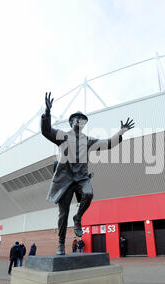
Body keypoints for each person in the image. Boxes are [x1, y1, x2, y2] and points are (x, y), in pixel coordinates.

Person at [41, 92, 135, 255]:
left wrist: (121, 132)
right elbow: (47, 130)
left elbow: (108, 143)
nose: (79, 121)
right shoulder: (63, 136)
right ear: (71, 122)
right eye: (76, 119)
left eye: (82, 119)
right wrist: (47, 113)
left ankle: (78, 218)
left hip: (81, 178)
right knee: (63, 214)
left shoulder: (88, 140)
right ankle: (61, 243)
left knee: (89, 193)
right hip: (65, 180)